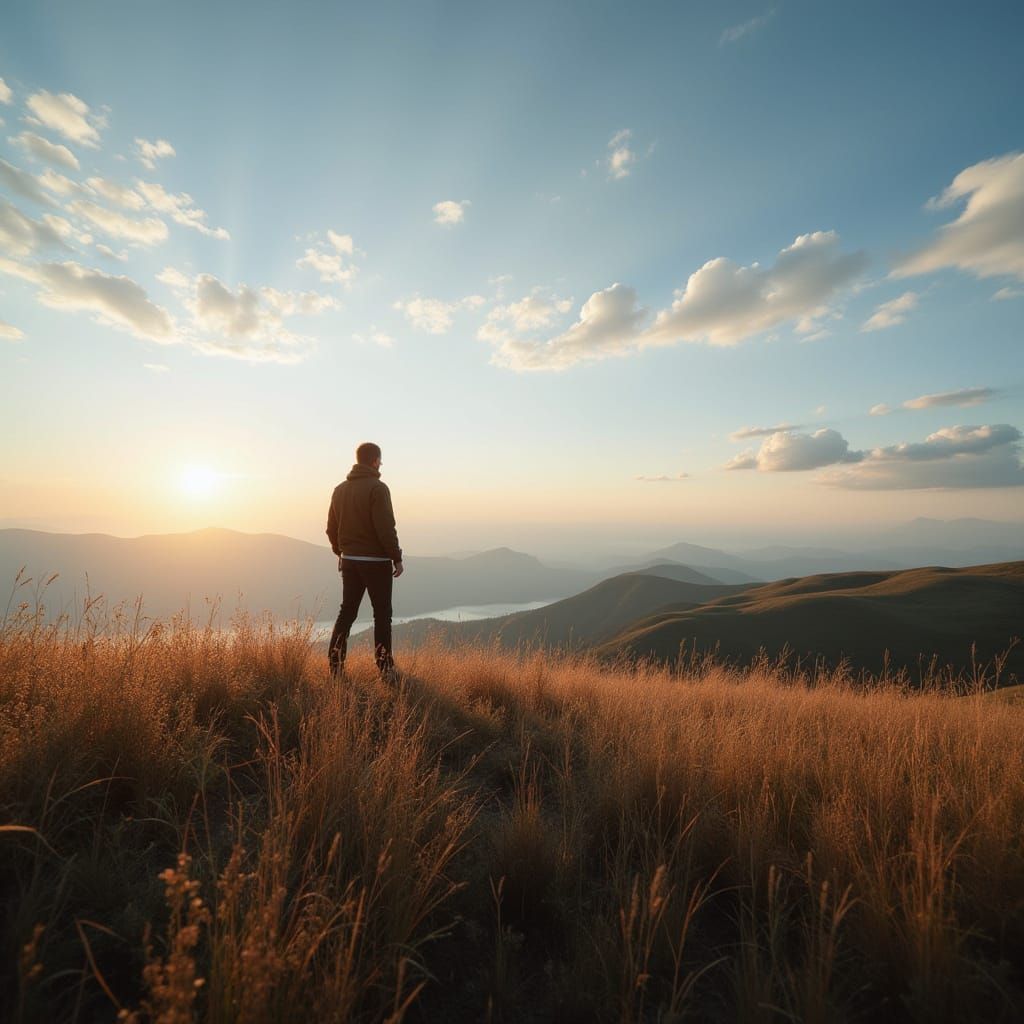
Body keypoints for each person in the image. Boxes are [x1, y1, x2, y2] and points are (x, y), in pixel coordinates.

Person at [326, 442, 404, 678]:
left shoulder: (339, 490)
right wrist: (396, 557)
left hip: (350, 562)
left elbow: (331, 528)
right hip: (376, 562)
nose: (381, 464)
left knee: (346, 613)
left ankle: (335, 666)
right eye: (380, 460)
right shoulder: (378, 488)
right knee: (381, 614)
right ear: (374, 461)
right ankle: (384, 667)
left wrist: (341, 552)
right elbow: (385, 528)